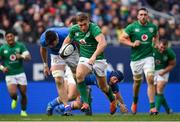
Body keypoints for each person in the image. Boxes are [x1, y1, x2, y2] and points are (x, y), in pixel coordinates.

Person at [62, 12, 118, 115]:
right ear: (77, 24)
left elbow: (103, 43)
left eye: (84, 24)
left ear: (88, 21)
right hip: (85, 58)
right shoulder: (74, 29)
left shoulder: (94, 28)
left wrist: (94, 56)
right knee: (79, 75)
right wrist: (62, 51)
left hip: (98, 59)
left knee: (103, 87)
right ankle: (86, 103)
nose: (83, 27)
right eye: (80, 25)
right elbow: (67, 40)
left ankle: (113, 99)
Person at [119, 8, 159, 114]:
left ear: (148, 16)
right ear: (137, 16)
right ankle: (135, 102)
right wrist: (132, 44)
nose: (143, 16)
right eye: (141, 14)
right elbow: (121, 38)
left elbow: (156, 36)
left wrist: (156, 44)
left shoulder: (153, 27)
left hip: (148, 57)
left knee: (150, 79)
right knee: (137, 82)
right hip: (136, 59)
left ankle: (152, 107)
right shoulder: (132, 27)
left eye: (145, 14)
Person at [47, 67, 128, 115]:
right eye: (115, 79)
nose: (115, 82)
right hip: (77, 76)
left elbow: (117, 94)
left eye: (117, 81)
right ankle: (51, 105)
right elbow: (107, 94)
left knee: (80, 105)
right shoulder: (104, 76)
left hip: (85, 83)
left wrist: (124, 105)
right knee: (72, 96)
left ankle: (60, 108)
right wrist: (119, 105)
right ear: (112, 75)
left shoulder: (113, 80)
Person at [39, 27, 79, 116]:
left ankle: (53, 104)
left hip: (71, 53)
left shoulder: (66, 34)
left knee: (78, 81)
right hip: (56, 55)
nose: (51, 46)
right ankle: (67, 108)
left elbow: (78, 43)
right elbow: (43, 49)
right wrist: (45, 64)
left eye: (53, 44)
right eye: (50, 45)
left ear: (57, 38)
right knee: (58, 80)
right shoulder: (43, 39)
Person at [0, 30, 31, 116]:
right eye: (8, 37)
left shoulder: (20, 46)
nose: (10, 38)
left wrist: (21, 56)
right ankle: (15, 98)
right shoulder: (2, 48)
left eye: (11, 36)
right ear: (5, 38)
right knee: (13, 93)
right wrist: (2, 68)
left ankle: (23, 111)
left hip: (20, 73)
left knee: (23, 94)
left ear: (14, 37)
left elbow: (29, 58)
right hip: (10, 75)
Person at [153, 39, 176, 114]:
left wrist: (164, 71)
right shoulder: (153, 47)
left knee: (159, 88)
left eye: (164, 48)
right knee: (156, 93)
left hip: (164, 71)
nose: (162, 49)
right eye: (161, 47)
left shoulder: (170, 52)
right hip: (153, 71)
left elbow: (172, 64)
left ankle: (156, 110)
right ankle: (168, 109)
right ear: (159, 44)